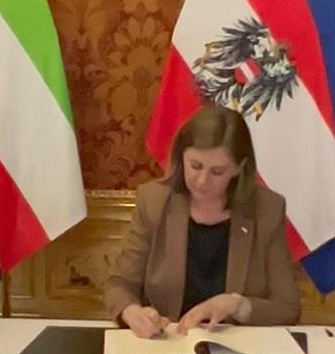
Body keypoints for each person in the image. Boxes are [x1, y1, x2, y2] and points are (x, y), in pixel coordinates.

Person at [104, 104, 301, 337]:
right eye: (195, 166)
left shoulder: (267, 210)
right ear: (181, 157)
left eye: (217, 172)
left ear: (239, 168)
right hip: (166, 344)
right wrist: (132, 311)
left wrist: (237, 305)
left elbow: (288, 307)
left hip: (236, 349)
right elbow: (120, 285)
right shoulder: (154, 201)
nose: (201, 181)